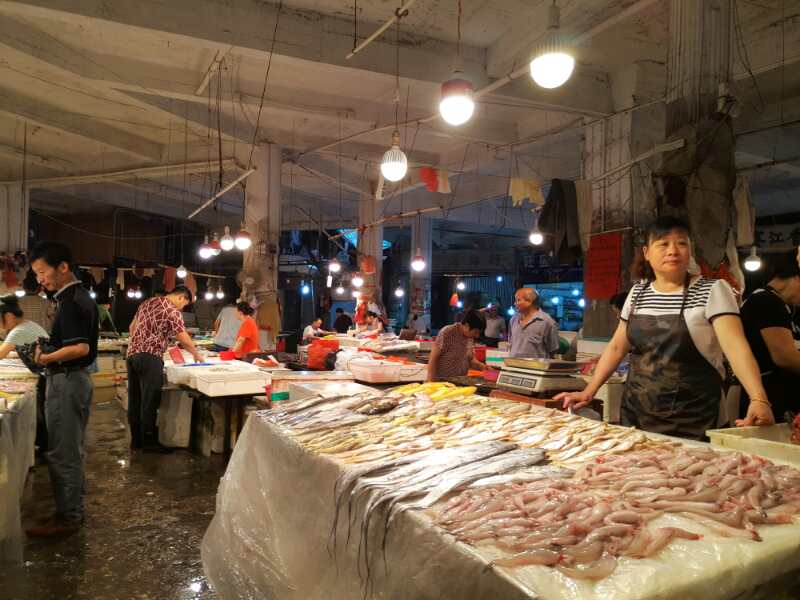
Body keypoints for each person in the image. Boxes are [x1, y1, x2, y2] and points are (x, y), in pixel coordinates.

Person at [557, 216, 773, 440]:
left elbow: (735, 347)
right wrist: (589, 391)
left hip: (696, 413)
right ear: (647, 252)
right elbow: (617, 347)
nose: (673, 251)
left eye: (681, 243)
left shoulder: (713, 290)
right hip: (637, 412)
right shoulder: (638, 292)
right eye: (663, 244)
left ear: (690, 250)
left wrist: (758, 398)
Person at [25, 242, 99, 537]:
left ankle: (68, 518)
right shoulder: (77, 297)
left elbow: (80, 348)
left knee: (63, 452)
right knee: (69, 449)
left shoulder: (71, 302)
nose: (40, 279)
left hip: (67, 380)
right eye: (37, 273)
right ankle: (70, 511)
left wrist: (45, 358)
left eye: (43, 272)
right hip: (72, 380)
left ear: (64, 267)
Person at [126, 286, 203, 453]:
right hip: (150, 357)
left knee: (135, 399)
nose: (182, 308)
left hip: (132, 355)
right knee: (150, 400)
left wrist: (142, 342)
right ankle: (149, 443)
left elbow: (132, 327)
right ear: (181, 297)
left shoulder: (147, 303)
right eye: (184, 304)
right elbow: (183, 338)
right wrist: (196, 354)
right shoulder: (172, 310)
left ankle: (136, 441)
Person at [739, 249, 800, 422]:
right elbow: (784, 357)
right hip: (768, 400)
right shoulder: (766, 301)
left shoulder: (781, 304)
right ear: (796, 278)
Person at [427, 310, 487, 381]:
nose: (477, 336)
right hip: (441, 381)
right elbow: (433, 359)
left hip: (460, 382)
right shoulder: (448, 332)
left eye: (479, 333)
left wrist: (483, 367)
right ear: (467, 326)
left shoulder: (470, 337)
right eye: (476, 332)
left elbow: (470, 359)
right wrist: (431, 382)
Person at [507, 288, 560, 358]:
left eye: (518, 300)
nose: (515, 303)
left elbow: (553, 349)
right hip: (513, 363)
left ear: (529, 301)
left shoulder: (547, 322)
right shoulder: (513, 319)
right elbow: (511, 342)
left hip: (536, 365)